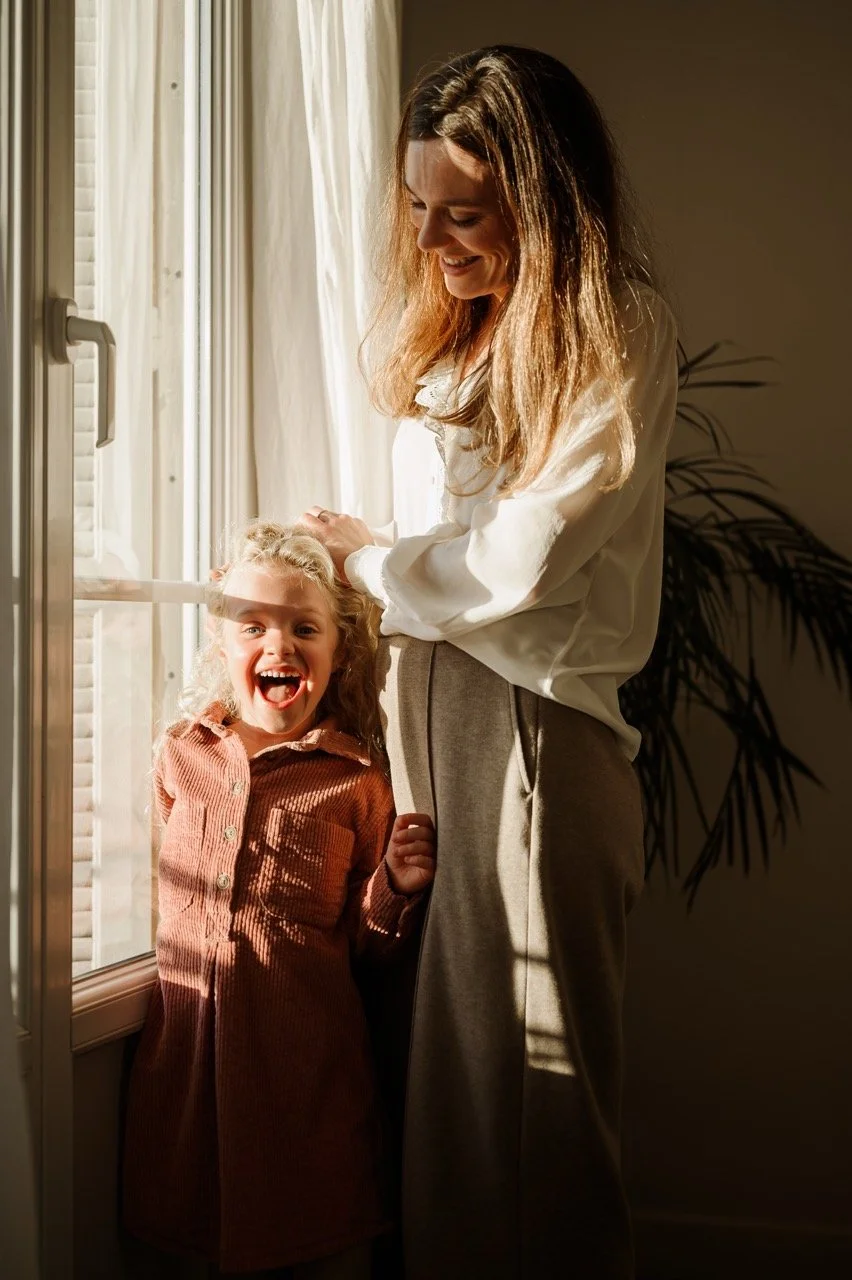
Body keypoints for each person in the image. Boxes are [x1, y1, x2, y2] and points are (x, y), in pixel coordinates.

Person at [301, 45, 678, 1280]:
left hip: (534, 729)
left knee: (533, 1104)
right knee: (451, 1089)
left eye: (464, 213)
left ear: (545, 199)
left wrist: (373, 567)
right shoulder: (462, 332)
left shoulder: (609, 327)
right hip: (443, 737)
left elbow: (521, 559)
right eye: (418, 209)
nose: (434, 239)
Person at [122, 521, 436, 1279]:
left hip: (307, 1078)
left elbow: (367, 949)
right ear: (223, 642)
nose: (280, 646)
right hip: (187, 1077)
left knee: (323, 1235)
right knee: (189, 1236)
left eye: (305, 629)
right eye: (254, 626)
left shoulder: (355, 781)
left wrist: (394, 886)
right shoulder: (180, 754)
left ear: (338, 650)